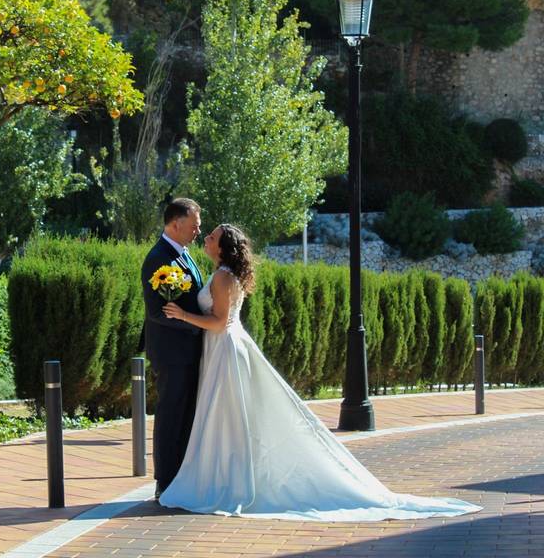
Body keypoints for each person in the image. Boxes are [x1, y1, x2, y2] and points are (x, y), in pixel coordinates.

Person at [158, 223, 481, 521]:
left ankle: (229, 480)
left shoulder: (224, 277)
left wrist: (182, 314)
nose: (207, 238)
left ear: (223, 247)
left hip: (225, 347)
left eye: (212, 236)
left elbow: (218, 322)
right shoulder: (220, 273)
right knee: (226, 416)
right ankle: (225, 474)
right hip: (222, 348)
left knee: (227, 416)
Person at [141, 198, 205, 498]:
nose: (198, 230)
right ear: (175, 223)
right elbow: (158, 311)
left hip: (189, 350)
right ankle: (164, 481)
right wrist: (195, 324)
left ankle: (180, 477)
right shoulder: (159, 259)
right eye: (194, 225)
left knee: (186, 416)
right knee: (171, 416)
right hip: (172, 352)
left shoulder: (183, 254)